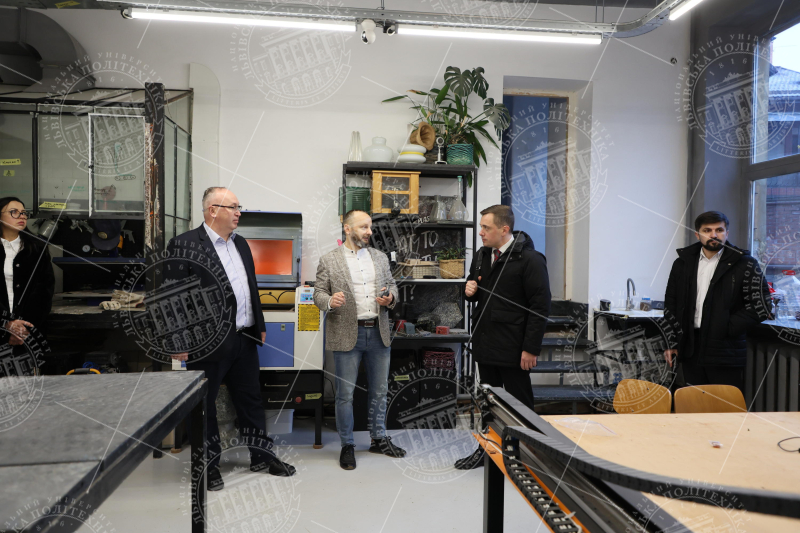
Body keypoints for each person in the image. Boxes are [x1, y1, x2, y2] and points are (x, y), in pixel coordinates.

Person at [168, 187, 295, 490]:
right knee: (204, 406)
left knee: (250, 400)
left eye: (239, 206)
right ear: (213, 210)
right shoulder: (184, 244)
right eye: (233, 207)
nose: (239, 212)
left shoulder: (241, 244)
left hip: (244, 338)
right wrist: (177, 341)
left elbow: (251, 288)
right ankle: (208, 466)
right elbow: (171, 296)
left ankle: (261, 456)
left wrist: (258, 323)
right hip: (207, 343)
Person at [455, 205, 551, 470]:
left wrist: (531, 348)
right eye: (481, 227)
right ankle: (487, 451)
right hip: (486, 343)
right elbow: (474, 289)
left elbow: (540, 307)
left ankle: (527, 455)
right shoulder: (482, 255)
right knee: (488, 401)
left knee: (520, 405)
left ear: (504, 229)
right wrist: (469, 290)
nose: (481, 233)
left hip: (515, 348)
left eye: (486, 228)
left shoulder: (531, 260)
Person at [313, 209, 406, 470]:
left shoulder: (379, 257)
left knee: (379, 391)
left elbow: (392, 286)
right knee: (345, 395)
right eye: (364, 227)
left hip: (378, 332)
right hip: (346, 334)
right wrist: (329, 300)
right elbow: (318, 293)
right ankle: (347, 444)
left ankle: (378, 438)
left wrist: (391, 298)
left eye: (370, 227)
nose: (369, 232)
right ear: (347, 228)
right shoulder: (329, 260)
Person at [663, 211, 771, 393]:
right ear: (697, 234)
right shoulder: (682, 263)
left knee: (725, 405)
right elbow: (671, 304)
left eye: (719, 230)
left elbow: (762, 305)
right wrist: (671, 342)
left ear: (727, 233)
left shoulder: (745, 263)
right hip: (690, 348)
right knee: (695, 403)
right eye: (707, 230)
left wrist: (726, 326)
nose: (714, 235)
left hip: (725, 349)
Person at [0, 197, 54, 347]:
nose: (22, 216)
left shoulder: (36, 248)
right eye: (14, 212)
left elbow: (44, 291)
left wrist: (23, 328)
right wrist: (6, 324)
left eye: (24, 212)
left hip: (28, 333)